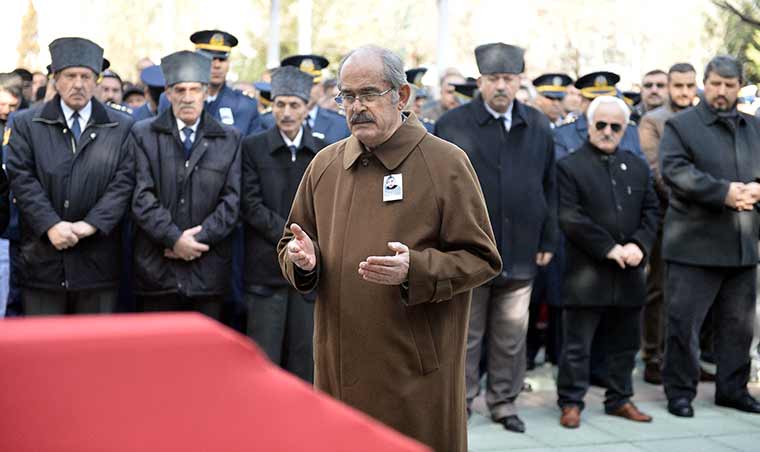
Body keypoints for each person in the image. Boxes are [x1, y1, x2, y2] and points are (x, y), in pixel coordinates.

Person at [277, 45, 500, 452]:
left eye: (368, 94)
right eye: (346, 96)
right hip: (337, 370)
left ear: (401, 96)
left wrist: (415, 270)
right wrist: (304, 262)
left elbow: (481, 258)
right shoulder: (325, 164)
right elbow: (292, 241)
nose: (356, 107)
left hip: (411, 374)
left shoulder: (445, 163)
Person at [435, 42, 558, 434]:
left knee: (511, 335)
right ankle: (462, 400)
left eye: (508, 79)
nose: (501, 86)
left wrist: (548, 240)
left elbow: (549, 185)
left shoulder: (537, 124)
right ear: (480, 82)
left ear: (519, 81)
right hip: (468, 250)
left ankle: (503, 402)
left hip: (522, 248)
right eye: (493, 79)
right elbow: (437, 189)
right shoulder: (453, 124)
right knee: (467, 335)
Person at [660, 55, 760, 417]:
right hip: (694, 245)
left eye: (729, 85)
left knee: (739, 327)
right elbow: (674, 170)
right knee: (684, 326)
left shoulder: (755, 126)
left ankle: (732, 390)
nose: (721, 91)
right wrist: (724, 193)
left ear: (739, 87)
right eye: (716, 83)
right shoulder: (681, 125)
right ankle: (680, 392)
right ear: (705, 82)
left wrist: (755, 191)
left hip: (742, 245)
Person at [6, 37, 135, 315]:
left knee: (94, 351)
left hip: (97, 261)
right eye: (70, 76)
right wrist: (51, 225)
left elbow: (123, 183)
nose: (78, 84)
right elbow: (22, 178)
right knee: (43, 350)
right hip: (43, 260)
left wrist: (91, 224)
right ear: (56, 79)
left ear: (97, 80)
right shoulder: (27, 123)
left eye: (86, 76)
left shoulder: (121, 126)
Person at [556, 95, 659, 428]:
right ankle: (571, 402)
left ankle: (619, 398)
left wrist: (640, 245)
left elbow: (651, 212)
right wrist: (609, 248)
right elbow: (570, 217)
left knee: (625, 344)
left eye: (615, 126)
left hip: (629, 272)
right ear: (589, 126)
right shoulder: (569, 166)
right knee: (577, 346)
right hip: (587, 274)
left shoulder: (638, 165)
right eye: (601, 124)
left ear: (624, 129)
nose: (608, 131)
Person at [130, 50, 240, 320]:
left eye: (195, 89)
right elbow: (141, 196)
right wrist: (174, 239)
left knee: (204, 359)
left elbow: (232, 201)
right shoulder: (143, 134)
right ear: (168, 93)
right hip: (157, 270)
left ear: (205, 92)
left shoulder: (229, 139)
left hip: (208, 270)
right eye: (180, 90)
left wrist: (194, 242)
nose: (188, 97)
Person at [241, 66, 326, 382]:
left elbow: (326, 206)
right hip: (264, 269)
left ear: (307, 108)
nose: (286, 112)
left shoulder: (322, 151)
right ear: (270, 105)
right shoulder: (253, 147)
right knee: (265, 361)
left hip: (308, 267)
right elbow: (250, 204)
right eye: (280, 104)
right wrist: (290, 237)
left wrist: (304, 245)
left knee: (304, 357)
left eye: (294, 105)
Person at [637, 62, 698, 385]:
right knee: (659, 290)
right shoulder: (653, 120)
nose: (685, 93)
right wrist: (704, 195)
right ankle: (652, 355)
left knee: (693, 293)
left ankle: (687, 358)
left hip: (703, 221)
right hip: (666, 219)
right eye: (679, 86)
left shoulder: (703, 119)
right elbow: (659, 172)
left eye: (691, 86)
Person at [276, 54, 351, 144]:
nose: (306, 90)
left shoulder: (340, 124)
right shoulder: (271, 122)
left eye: (312, 84)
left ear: (321, 87)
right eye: (300, 84)